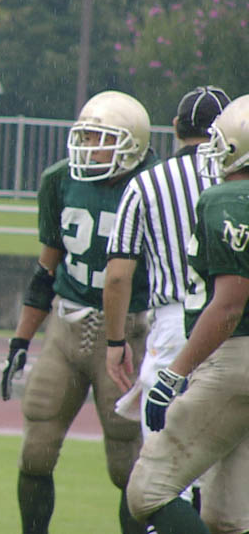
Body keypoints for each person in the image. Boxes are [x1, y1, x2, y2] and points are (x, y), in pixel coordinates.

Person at [0, 90, 155, 534]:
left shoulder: (151, 187)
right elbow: (46, 269)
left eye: (101, 139)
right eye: (85, 137)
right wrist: (21, 339)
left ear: (132, 146)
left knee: (127, 465)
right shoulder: (60, 179)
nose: (88, 148)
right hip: (66, 329)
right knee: (36, 451)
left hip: (129, 332)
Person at [104, 86, 230, 513]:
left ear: (175, 127)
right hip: (236, 325)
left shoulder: (147, 182)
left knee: (162, 477)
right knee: (225, 474)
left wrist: (115, 341)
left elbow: (118, 273)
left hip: (175, 324)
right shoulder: (236, 181)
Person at [127, 94, 249, 534]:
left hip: (232, 360)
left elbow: (229, 304)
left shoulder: (228, 199)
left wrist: (175, 372)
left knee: (148, 492)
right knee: (226, 517)